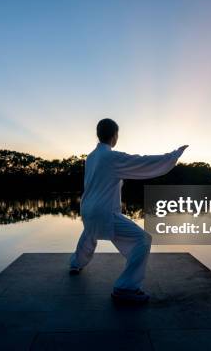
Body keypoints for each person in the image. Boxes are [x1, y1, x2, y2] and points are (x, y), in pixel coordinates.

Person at [70, 118, 187, 303]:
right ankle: (126, 287)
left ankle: (75, 263)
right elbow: (142, 162)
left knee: (90, 233)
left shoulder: (91, 157)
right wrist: (172, 156)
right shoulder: (111, 157)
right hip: (103, 211)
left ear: (98, 134)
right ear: (115, 136)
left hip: (87, 208)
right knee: (143, 239)